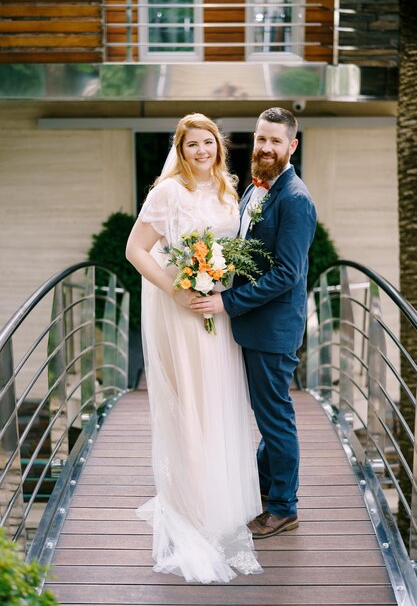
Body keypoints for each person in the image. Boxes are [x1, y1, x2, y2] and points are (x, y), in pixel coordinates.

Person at [125, 113, 263, 583]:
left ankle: (218, 501)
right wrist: (177, 289)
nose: (201, 151)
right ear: (180, 151)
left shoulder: (229, 189)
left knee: (219, 402)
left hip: (219, 313)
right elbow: (136, 250)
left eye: (208, 143)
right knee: (191, 405)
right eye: (191, 145)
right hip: (183, 311)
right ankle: (191, 507)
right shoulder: (166, 193)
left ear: (219, 147)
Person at [191, 107, 317, 539]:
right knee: (267, 414)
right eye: (261, 139)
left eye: (275, 141)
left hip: (272, 330)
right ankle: (266, 490)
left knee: (275, 417)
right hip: (251, 324)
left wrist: (228, 302)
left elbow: (287, 274)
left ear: (291, 146)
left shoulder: (296, 199)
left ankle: (284, 506)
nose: (265, 147)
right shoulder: (254, 191)